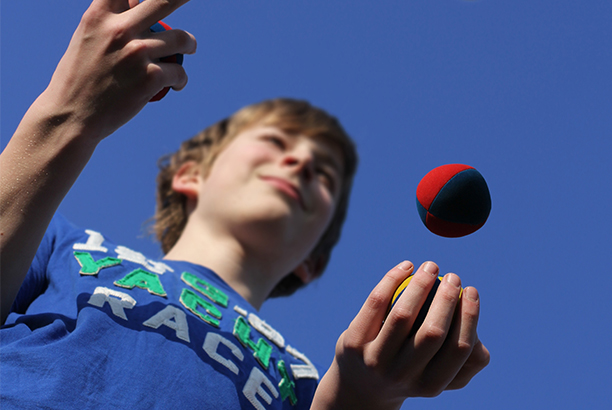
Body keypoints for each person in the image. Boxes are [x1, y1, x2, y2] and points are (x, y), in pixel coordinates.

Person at [0, 0, 490, 409]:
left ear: (310, 263)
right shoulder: (64, 245)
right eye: (275, 142)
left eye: (324, 176)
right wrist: (67, 114)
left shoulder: (303, 381)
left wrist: (366, 394)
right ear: (190, 174)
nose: (299, 162)